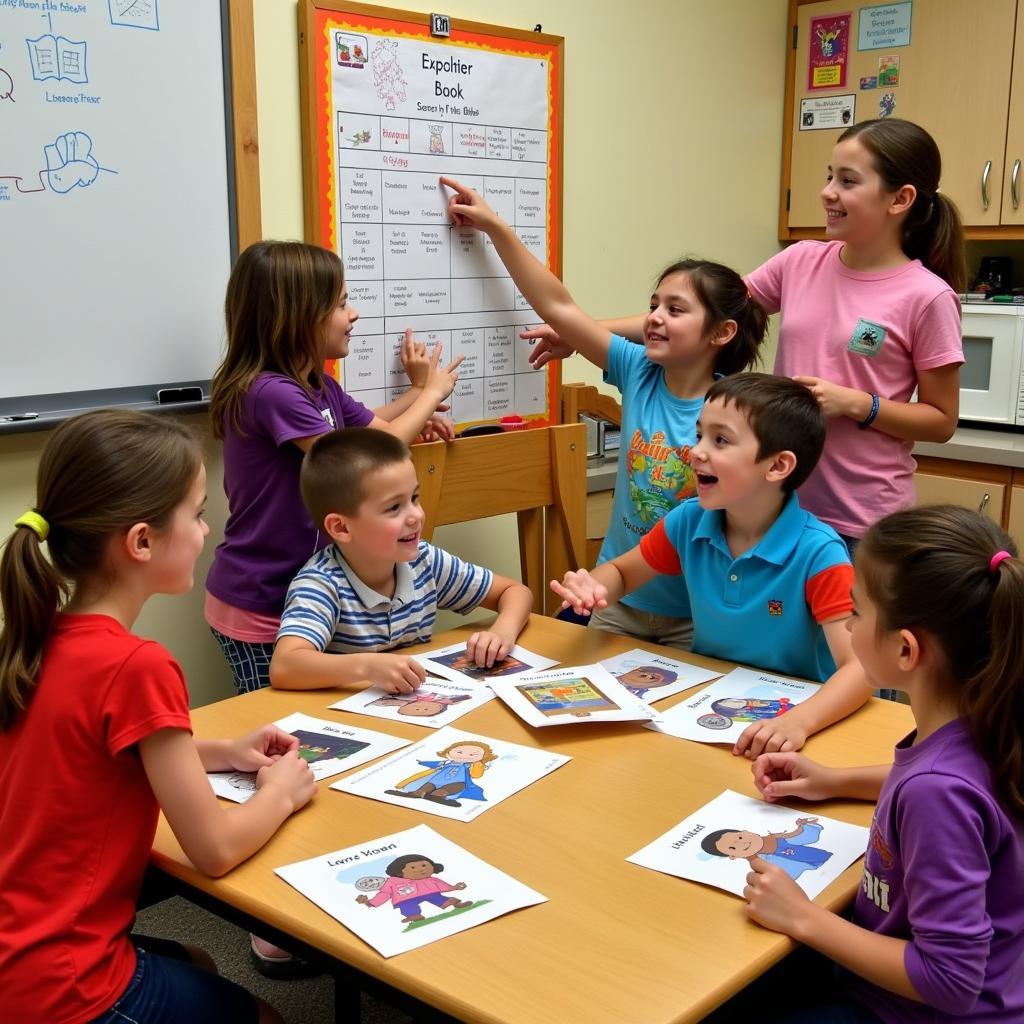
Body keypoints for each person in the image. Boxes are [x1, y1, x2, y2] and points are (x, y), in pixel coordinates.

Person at [0, 410, 316, 1024]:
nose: (205, 530)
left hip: (16, 954)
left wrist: (225, 751)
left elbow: (93, 752)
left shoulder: (38, 638)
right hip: (66, 985)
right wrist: (279, 793)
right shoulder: (138, 665)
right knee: (271, 1019)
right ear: (142, 541)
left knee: (199, 958)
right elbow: (214, 850)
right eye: (197, 513)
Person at [527, 119, 965, 555]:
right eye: (829, 176)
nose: (828, 192)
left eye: (848, 181)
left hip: (859, 520)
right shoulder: (800, 261)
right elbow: (703, 311)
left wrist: (856, 403)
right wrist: (582, 334)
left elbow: (941, 420)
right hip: (775, 505)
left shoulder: (927, 297)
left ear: (901, 198)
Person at [440, 175, 768, 650]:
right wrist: (496, 229)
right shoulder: (638, 371)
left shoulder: (734, 409)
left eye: (676, 310)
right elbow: (558, 306)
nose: (654, 317)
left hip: (697, 613)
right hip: (616, 600)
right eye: (654, 305)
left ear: (721, 333)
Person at [740, 505, 1024, 1023]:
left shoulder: (936, 792)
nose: (848, 624)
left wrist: (803, 918)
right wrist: (833, 781)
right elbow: (956, 795)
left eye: (858, 613)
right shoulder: (991, 719)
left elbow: (951, 980)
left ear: (906, 649)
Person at [552, 374, 869, 758]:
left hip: (792, 728)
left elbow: (860, 668)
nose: (696, 450)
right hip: (707, 709)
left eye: (720, 440)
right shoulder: (687, 521)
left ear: (778, 466)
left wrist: (799, 721)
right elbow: (621, 573)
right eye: (699, 433)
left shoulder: (820, 554)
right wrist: (594, 586)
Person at [205, 240, 463, 696]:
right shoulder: (269, 393)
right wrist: (427, 397)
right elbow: (359, 458)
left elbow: (376, 428)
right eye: (341, 303)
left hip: (310, 594)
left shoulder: (316, 385)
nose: (354, 314)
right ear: (297, 315)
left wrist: (417, 397)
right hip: (263, 601)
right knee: (280, 728)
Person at [270, 428, 534, 691]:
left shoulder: (425, 561)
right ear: (341, 528)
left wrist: (502, 632)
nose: (416, 516)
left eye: (414, 498)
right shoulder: (321, 584)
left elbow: (514, 591)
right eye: (394, 507)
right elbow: (285, 667)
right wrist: (368, 666)